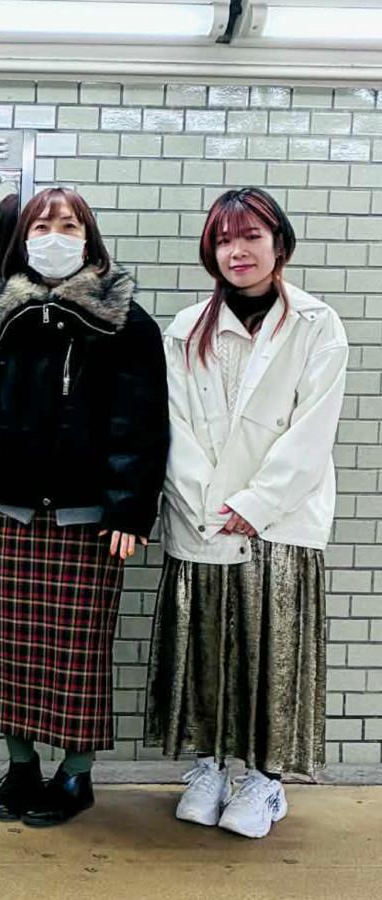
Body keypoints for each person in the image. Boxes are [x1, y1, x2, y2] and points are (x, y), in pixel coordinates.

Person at [0, 187, 168, 827]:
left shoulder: (124, 321)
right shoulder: (3, 319)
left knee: (77, 652)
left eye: (69, 225)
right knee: (12, 649)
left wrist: (129, 512)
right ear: (23, 239)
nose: (54, 236)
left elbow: (141, 425)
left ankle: (76, 775)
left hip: (88, 520)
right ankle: (21, 766)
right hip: (11, 511)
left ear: (90, 238)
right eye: (42, 225)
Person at [146, 188, 348, 839]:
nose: (238, 250)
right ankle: (208, 768)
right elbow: (170, 425)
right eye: (224, 239)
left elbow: (313, 429)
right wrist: (209, 503)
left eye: (251, 236)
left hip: (280, 523)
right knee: (206, 653)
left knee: (272, 656)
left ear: (278, 243)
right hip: (202, 520)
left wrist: (255, 504)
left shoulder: (317, 324)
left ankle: (265, 781)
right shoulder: (184, 328)